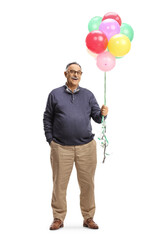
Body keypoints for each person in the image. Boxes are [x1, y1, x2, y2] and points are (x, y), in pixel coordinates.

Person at [43, 62, 108, 230]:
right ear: (65, 74)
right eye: (72, 71)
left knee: (87, 184)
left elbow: (97, 118)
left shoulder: (88, 95)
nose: (75, 75)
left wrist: (103, 114)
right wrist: (50, 140)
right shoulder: (55, 94)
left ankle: (88, 217)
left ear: (81, 75)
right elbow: (47, 118)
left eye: (78, 72)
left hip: (86, 147)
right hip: (60, 147)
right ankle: (58, 217)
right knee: (59, 184)